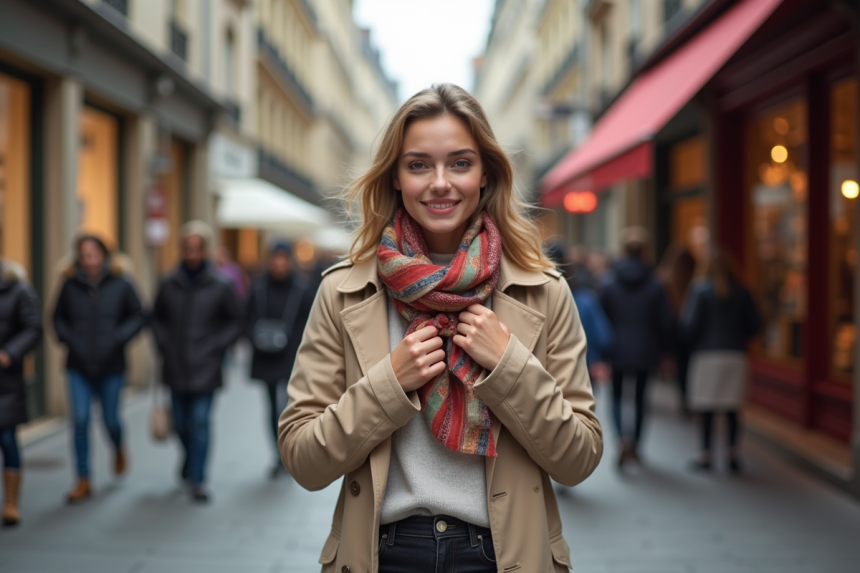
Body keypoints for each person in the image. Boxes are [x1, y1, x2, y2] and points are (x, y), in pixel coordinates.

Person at [280, 84, 603, 573]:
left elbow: (578, 459)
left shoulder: (543, 291)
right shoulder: (344, 291)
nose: (439, 182)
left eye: (459, 163)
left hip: (501, 554)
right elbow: (304, 458)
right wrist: (389, 383)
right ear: (394, 177)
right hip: (382, 554)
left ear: (485, 175)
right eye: (418, 165)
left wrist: (509, 366)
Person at [151, 221, 242, 502]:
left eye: (197, 248)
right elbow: (155, 318)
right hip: (176, 364)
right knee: (180, 423)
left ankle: (199, 480)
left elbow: (236, 321)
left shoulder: (220, 284)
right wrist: (164, 343)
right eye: (187, 248)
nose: (191, 253)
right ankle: (190, 459)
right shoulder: (169, 283)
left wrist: (217, 346)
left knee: (200, 421)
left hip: (206, 365)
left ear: (205, 250)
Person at [52, 236, 145, 503]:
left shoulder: (122, 282)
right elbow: (56, 317)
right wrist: (69, 338)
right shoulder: (69, 284)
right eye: (84, 255)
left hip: (111, 364)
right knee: (79, 421)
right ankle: (82, 479)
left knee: (110, 420)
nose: (89, 260)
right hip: (78, 365)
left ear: (104, 256)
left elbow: (138, 315)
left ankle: (118, 447)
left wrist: (118, 338)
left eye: (93, 254)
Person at [682, 247, 761, 474]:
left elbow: (689, 325)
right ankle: (732, 453)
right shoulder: (743, 292)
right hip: (736, 355)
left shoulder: (699, 290)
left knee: (706, 408)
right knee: (732, 408)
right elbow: (756, 324)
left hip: (707, 355)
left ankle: (706, 454)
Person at [599, 227, 673, 468]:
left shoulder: (609, 282)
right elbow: (665, 322)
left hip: (616, 348)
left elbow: (602, 319)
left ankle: (622, 440)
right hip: (646, 349)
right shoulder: (655, 284)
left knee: (617, 396)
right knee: (641, 398)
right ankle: (637, 445)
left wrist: (601, 350)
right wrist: (664, 351)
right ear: (646, 252)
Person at [246, 241, 314, 478]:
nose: (279, 263)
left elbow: (313, 324)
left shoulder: (302, 288)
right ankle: (278, 454)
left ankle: (287, 454)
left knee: (285, 406)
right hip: (265, 356)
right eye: (275, 258)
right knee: (271, 407)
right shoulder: (258, 287)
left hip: (292, 357)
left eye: (283, 258)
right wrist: (255, 337)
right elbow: (247, 318)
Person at [0, 258, 42, 526]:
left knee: (6, 437)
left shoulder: (18, 288)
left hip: (5, 379)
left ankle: (11, 502)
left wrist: (9, 354)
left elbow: (33, 328)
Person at [657, 244, 697, 415]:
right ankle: (688, 399)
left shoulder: (664, 279)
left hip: (674, 329)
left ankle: (685, 399)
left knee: (681, 366)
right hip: (691, 329)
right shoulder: (695, 280)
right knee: (689, 366)